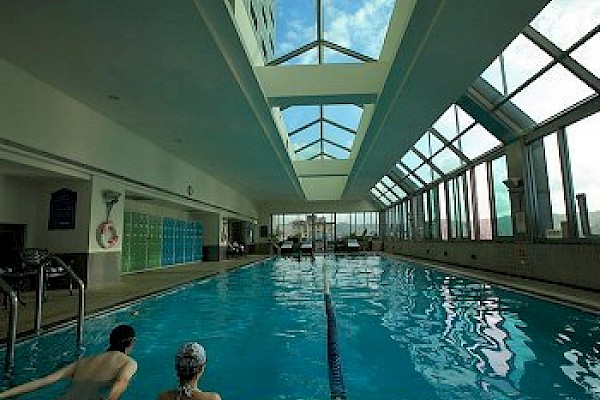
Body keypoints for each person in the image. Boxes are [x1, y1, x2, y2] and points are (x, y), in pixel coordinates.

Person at [0, 324, 138, 400]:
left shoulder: (83, 362)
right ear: (132, 342)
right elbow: (122, 381)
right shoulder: (129, 362)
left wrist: (3, 394)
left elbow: (44, 381)